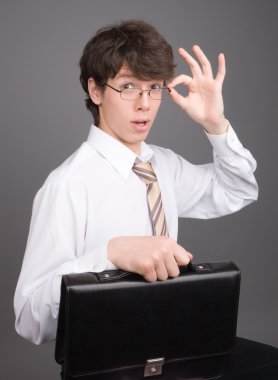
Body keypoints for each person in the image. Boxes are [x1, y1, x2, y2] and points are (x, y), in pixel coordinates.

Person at [14, 19, 258, 345]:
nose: (144, 103)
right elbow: (29, 318)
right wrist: (110, 254)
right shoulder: (68, 185)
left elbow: (238, 189)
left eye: (154, 87)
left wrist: (216, 125)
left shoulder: (163, 166)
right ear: (95, 90)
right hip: (111, 356)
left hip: (174, 341)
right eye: (128, 87)